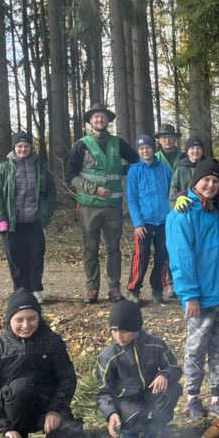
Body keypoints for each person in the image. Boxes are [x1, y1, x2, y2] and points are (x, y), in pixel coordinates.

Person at [166, 158, 219, 422]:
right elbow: (181, 258)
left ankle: (216, 397)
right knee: (196, 348)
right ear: (195, 183)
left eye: (215, 180)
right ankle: (192, 398)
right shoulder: (183, 214)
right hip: (202, 297)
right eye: (205, 180)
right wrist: (189, 295)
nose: (210, 185)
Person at [0, 290, 87, 438]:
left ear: (39, 317)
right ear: (9, 320)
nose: (26, 325)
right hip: (16, 408)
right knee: (22, 387)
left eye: (32, 318)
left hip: (48, 405)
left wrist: (56, 410)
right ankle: (17, 436)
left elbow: (67, 378)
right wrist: (5, 427)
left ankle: (56, 430)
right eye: (19, 320)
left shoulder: (53, 341)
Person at [65, 103, 138, 304]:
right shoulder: (81, 145)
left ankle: (114, 288)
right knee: (90, 248)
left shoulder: (118, 143)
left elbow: (135, 161)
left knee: (113, 248)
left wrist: (122, 169)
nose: (99, 119)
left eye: (103, 116)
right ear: (90, 120)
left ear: (108, 120)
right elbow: (70, 176)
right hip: (89, 205)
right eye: (96, 116)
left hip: (113, 206)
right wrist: (94, 190)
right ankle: (92, 288)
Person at [96, 300, 182, 438]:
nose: (118, 336)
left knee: (173, 388)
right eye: (114, 330)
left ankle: (154, 433)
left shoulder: (156, 345)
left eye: (124, 331)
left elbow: (174, 368)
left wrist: (164, 374)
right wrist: (111, 413)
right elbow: (103, 393)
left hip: (151, 393)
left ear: (137, 327)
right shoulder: (108, 356)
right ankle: (129, 432)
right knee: (135, 415)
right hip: (126, 400)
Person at [0, 131, 56, 301]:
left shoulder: (41, 169)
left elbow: (51, 194)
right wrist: (0, 220)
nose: (23, 149)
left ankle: (36, 289)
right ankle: (21, 291)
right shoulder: (3, 169)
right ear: (14, 148)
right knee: (16, 258)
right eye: (19, 146)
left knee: (36, 256)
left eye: (26, 146)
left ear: (31, 148)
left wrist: (45, 217)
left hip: (35, 222)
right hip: (12, 223)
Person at [126, 135, 172, 305]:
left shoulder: (164, 169)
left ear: (154, 148)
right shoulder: (134, 171)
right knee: (141, 257)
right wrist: (137, 223)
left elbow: (171, 193)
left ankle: (157, 288)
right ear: (138, 151)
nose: (145, 151)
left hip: (164, 221)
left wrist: (171, 217)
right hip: (144, 222)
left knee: (162, 256)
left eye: (148, 147)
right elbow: (131, 199)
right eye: (141, 148)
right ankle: (134, 290)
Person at [169, 135, 205, 204]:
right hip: (183, 207)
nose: (195, 151)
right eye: (192, 148)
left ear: (202, 151)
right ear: (187, 152)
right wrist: (175, 207)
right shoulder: (180, 170)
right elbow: (173, 193)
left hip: (203, 207)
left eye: (198, 148)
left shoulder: (207, 169)